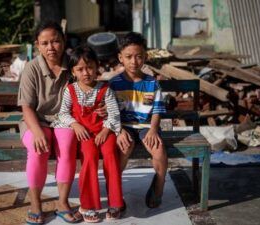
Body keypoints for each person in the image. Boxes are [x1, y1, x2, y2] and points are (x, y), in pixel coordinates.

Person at [18, 21, 82, 224]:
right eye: (44, 43)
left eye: (55, 41)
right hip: (36, 120)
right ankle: (35, 202)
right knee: (39, 148)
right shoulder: (32, 68)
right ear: (37, 45)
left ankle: (62, 202)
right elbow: (27, 107)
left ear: (63, 41)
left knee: (68, 143)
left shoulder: (72, 64)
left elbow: (85, 88)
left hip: (65, 119)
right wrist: (36, 132)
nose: (50, 47)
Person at [56, 45, 124, 222]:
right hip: (85, 134)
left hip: (105, 131)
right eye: (80, 69)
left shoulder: (105, 89)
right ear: (73, 71)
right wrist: (75, 125)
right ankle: (88, 204)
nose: (86, 73)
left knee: (110, 154)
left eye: (90, 67)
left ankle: (116, 203)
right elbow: (62, 113)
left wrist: (106, 130)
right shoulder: (70, 90)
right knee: (90, 157)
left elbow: (114, 113)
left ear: (97, 68)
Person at [109, 32, 168, 208]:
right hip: (123, 127)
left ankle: (158, 186)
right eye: (128, 57)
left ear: (145, 57)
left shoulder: (152, 83)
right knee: (123, 147)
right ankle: (116, 191)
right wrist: (119, 131)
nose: (134, 61)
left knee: (159, 150)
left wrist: (152, 130)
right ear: (120, 58)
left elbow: (157, 110)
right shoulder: (114, 83)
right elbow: (112, 112)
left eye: (138, 56)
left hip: (146, 127)